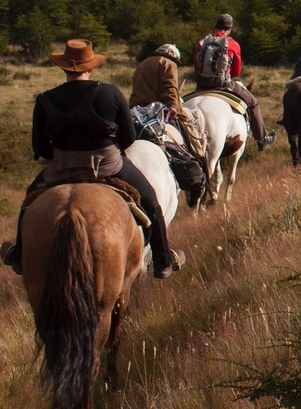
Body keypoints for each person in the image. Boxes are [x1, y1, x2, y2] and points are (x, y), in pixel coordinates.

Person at [1, 39, 184, 279]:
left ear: (64, 68)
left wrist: (63, 156)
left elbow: (39, 148)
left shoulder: (45, 99)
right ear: (91, 68)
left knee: (28, 200)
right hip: (109, 166)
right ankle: (162, 260)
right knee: (150, 200)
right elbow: (128, 138)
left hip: (60, 168)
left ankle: (20, 256)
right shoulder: (110, 92)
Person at [193, 13, 276, 151]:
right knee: (253, 103)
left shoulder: (201, 42)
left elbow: (196, 67)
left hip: (201, 85)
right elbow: (236, 72)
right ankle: (261, 139)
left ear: (216, 25)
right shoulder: (232, 44)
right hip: (224, 85)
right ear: (229, 28)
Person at [130, 43, 207, 160]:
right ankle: (198, 155)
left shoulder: (142, 64)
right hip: (157, 110)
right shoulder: (169, 63)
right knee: (192, 122)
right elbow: (169, 88)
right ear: (175, 57)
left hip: (137, 111)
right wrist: (173, 107)